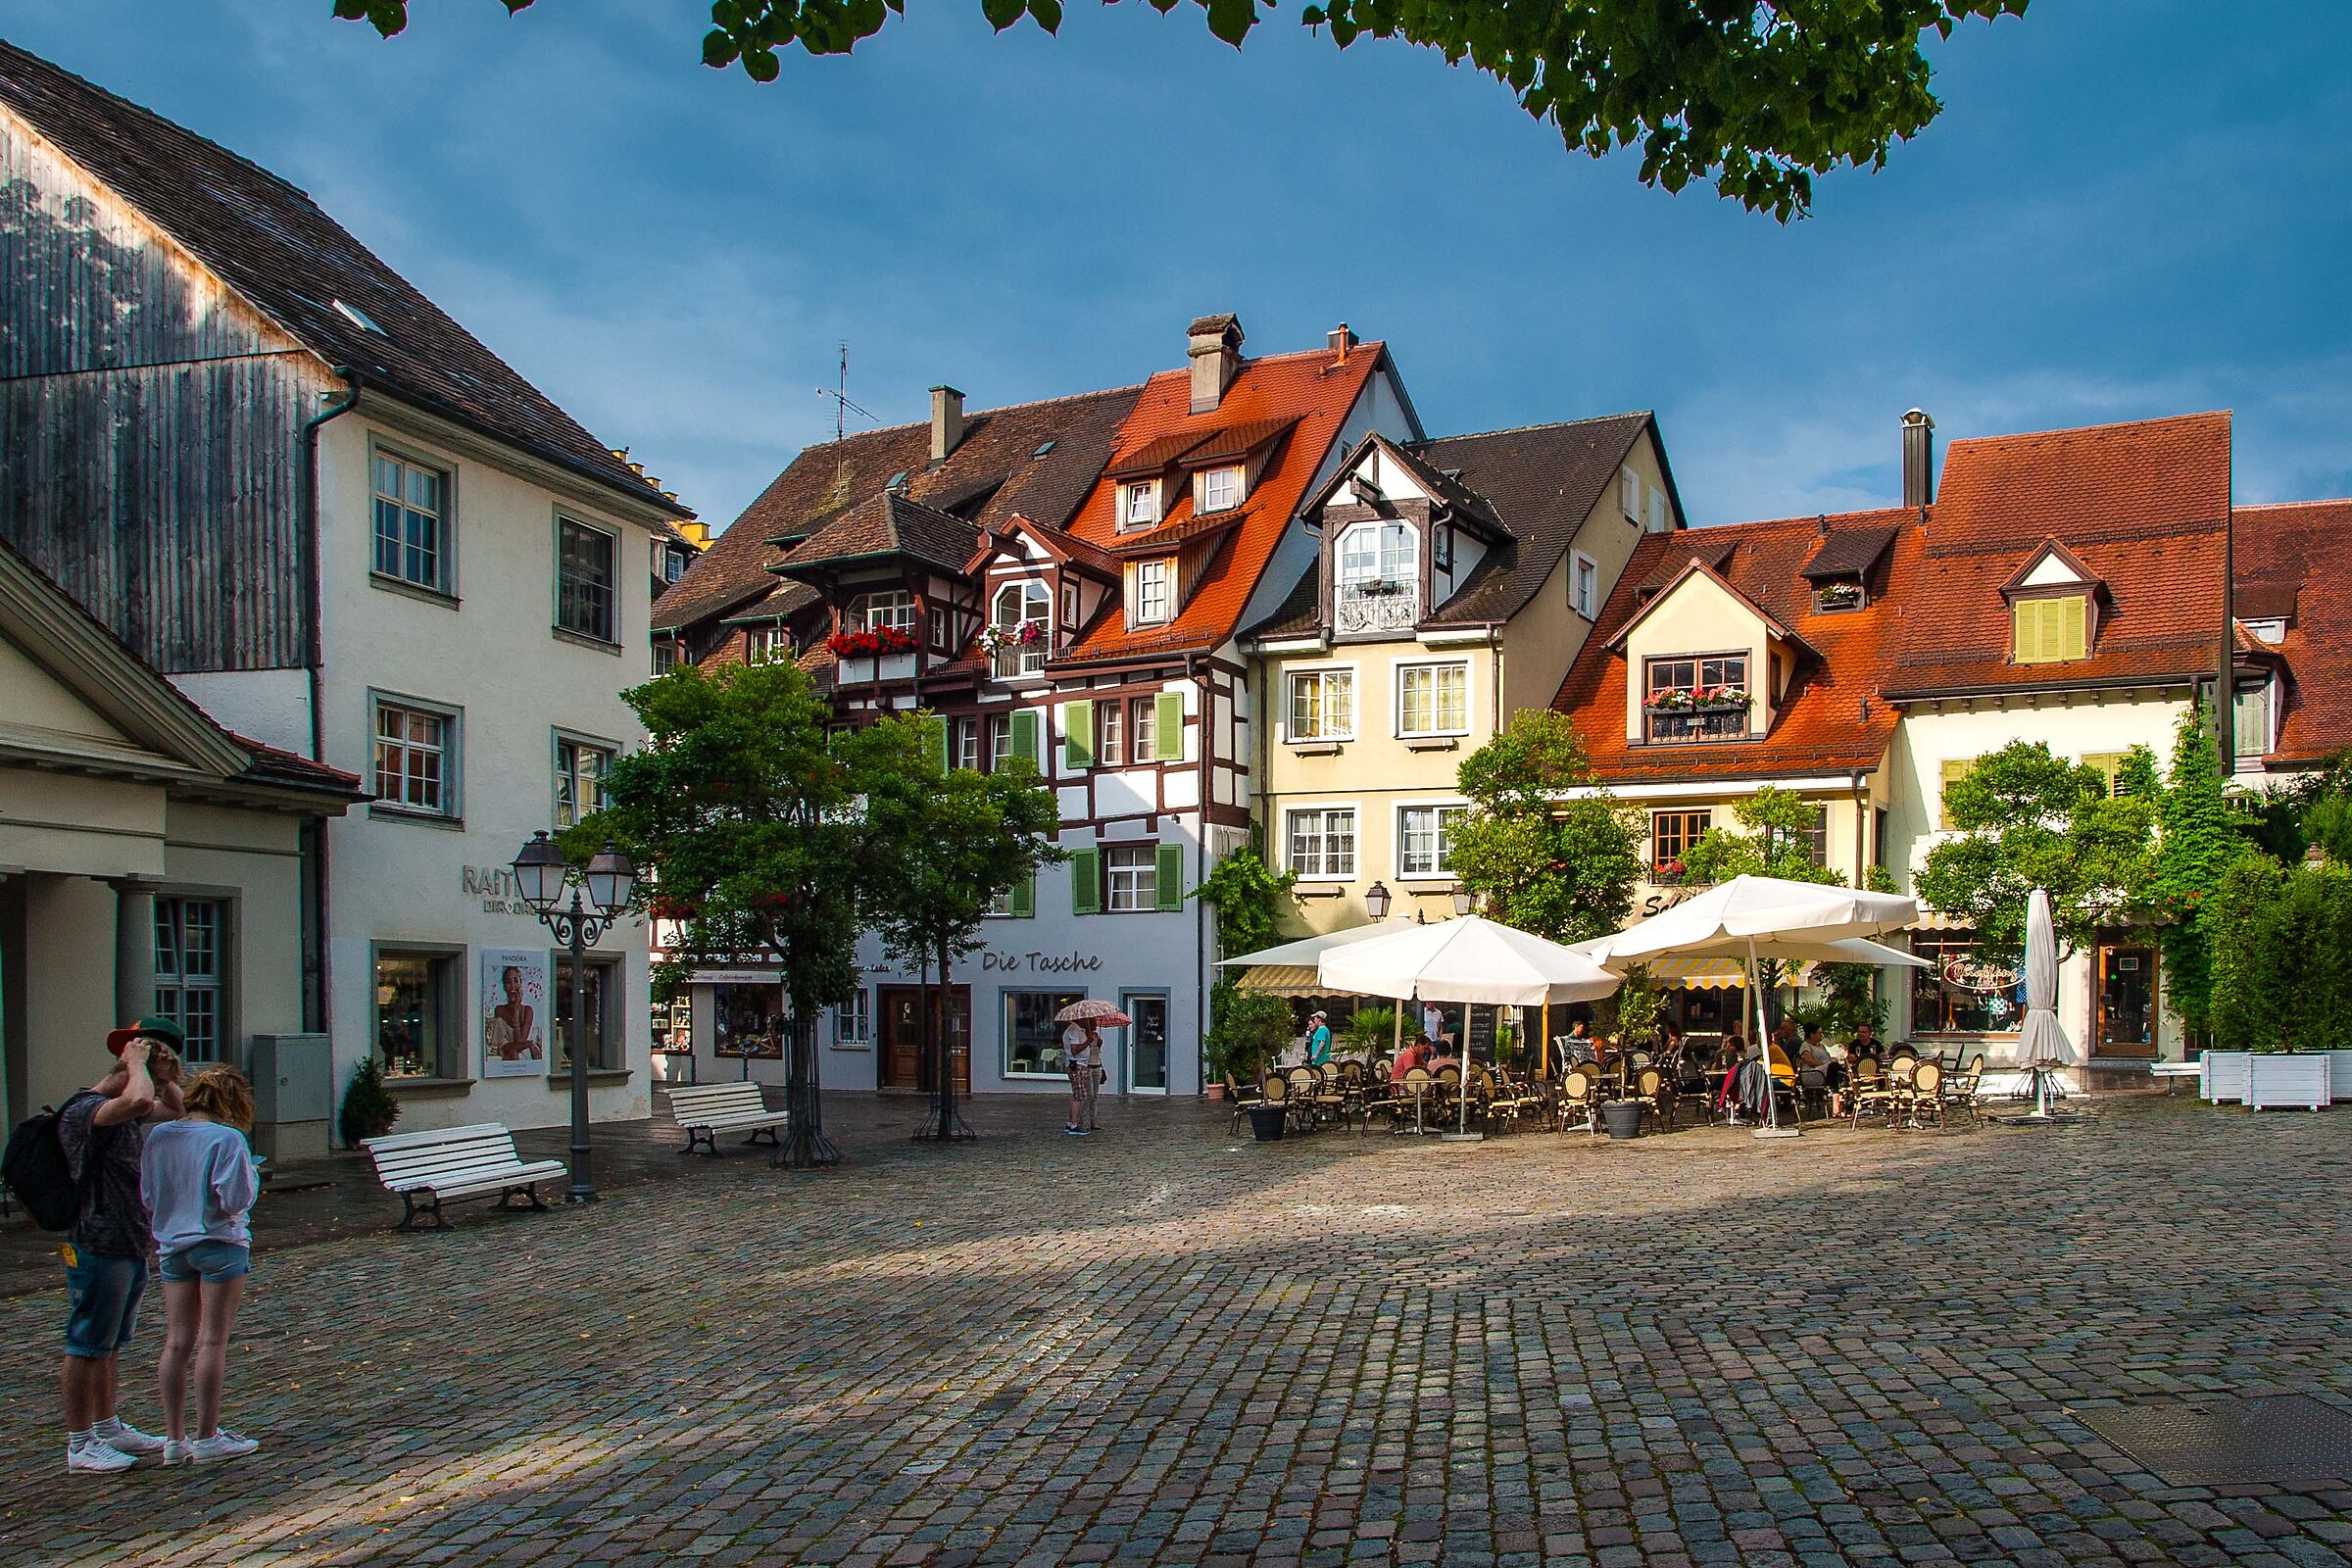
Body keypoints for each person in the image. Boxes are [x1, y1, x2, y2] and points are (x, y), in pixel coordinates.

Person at [57, 1019, 185, 1473]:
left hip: (129, 1239)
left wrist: (165, 1077)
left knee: (109, 1343)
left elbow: (173, 1110)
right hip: (97, 1240)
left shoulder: (126, 1105)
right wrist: (137, 1064)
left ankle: (107, 1425)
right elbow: (138, 1099)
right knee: (87, 1342)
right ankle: (79, 1442)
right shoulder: (85, 1108)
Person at [141, 1065, 262, 1463]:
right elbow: (235, 1199)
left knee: (177, 1342)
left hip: (172, 1244)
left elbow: (148, 1193)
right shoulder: (227, 1139)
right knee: (213, 1340)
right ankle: (207, 1435)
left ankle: (174, 1439)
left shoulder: (160, 1135)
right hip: (219, 1242)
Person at [485, 965, 541, 1061]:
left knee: (515, 1052)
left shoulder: (527, 1010)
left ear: (521, 984)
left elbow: (520, 1041)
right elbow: (504, 1047)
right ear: (504, 987)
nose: (512, 986)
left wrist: (516, 1010)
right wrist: (529, 1044)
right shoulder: (499, 1010)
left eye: (516, 981)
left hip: (523, 1058)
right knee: (513, 1053)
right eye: (508, 982)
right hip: (505, 1058)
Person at [1062, 1018, 1102, 1137]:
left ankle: (1071, 1122)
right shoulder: (1074, 1030)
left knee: (1077, 1095)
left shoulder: (1078, 1030)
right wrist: (1088, 1042)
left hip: (1080, 1065)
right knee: (1079, 1096)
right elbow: (1074, 1050)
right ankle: (1074, 1124)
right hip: (1077, 1065)